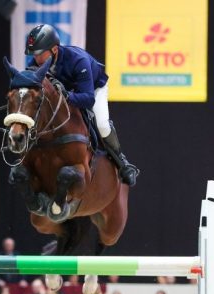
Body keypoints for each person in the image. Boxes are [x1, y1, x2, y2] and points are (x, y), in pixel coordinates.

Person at [25, 24, 140, 186]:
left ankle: (122, 162)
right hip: (67, 92)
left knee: (101, 124)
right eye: (34, 55)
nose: (36, 60)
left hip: (93, 88)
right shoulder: (36, 63)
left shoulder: (78, 60)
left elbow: (87, 99)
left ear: (55, 50)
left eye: (39, 54)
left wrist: (66, 96)